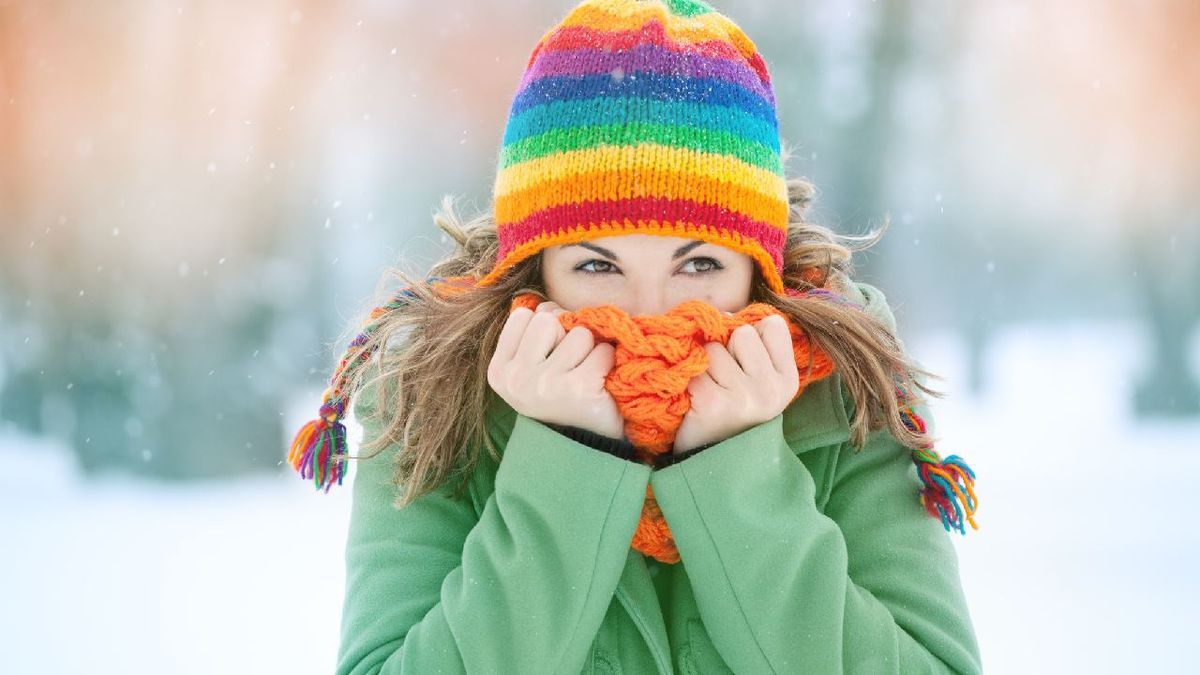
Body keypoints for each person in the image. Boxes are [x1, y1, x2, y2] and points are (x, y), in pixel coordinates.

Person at [288, 1, 982, 672]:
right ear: (535, 270)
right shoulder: (431, 400)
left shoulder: (845, 391)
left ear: (757, 271)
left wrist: (737, 473)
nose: (649, 314)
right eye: (597, 264)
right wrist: (567, 457)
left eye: (700, 263)